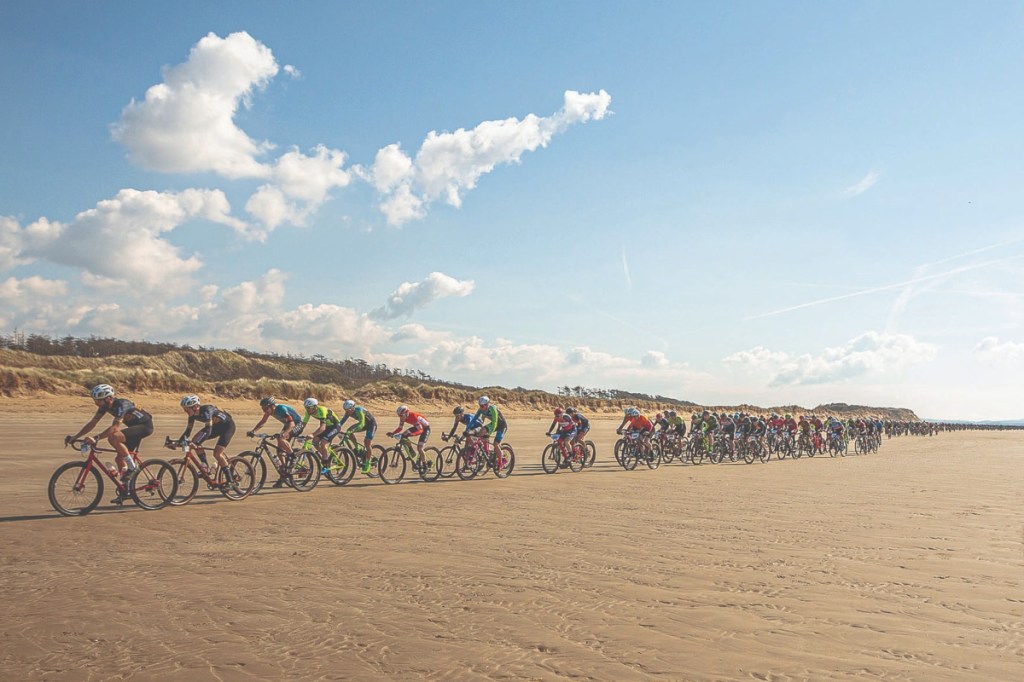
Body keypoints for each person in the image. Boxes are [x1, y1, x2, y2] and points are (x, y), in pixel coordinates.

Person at [64, 384, 154, 504]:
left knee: (114, 437)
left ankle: (132, 467)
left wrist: (96, 438)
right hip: (132, 428)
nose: (97, 404)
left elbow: (114, 428)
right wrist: (76, 436)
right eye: (95, 401)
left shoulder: (122, 404)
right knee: (118, 459)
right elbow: (92, 423)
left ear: (108, 398)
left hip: (144, 426)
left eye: (99, 401)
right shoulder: (104, 407)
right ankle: (126, 491)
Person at [173, 394, 235, 478]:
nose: (185, 411)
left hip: (228, 427)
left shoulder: (206, 410)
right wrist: (177, 442)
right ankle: (205, 467)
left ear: (195, 407)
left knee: (217, 454)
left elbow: (208, 431)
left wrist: (197, 443)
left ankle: (230, 480)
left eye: (187, 409)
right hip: (215, 427)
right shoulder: (192, 416)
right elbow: (187, 432)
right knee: (195, 441)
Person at [247, 396, 304, 487]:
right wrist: (253, 431)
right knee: (279, 451)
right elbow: (263, 421)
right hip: (288, 424)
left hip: (297, 424)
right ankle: (284, 473)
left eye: (265, 408)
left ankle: (293, 457)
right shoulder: (269, 411)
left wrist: (284, 433)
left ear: (272, 406)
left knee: (281, 438)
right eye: (263, 409)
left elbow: (292, 424)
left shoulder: (281, 409)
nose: (264, 411)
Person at [338, 399, 378, 474]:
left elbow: (361, 424)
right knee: (348, 431)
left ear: (353, 408)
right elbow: (341, 422)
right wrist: (336, 429)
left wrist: (352, 431)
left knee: (367, 442)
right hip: (364, 424)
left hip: (371, 425)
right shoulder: (347, 412)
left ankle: (368, 463)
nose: (347, 412)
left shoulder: (359, 410)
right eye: (345, 410)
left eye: (348, 410)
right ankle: (357, 447)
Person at [301, 397, 343, 467]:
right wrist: (296, 432)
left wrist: (312, 434)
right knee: (315, 442)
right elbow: (303, 424)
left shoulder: (321, 410)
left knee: (323, 442)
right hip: (327, 427)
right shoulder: (308, 412)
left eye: (309, 408)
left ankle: (326, 463)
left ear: (315, 407)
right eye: (306, 408)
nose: (307, 410)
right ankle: (327, 456)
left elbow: (322, 427)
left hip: (335, 426)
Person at [474, 395, 508, 460]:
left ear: (487, 405)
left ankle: (501, 462)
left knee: (495, 444)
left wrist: (488, 434)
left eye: (482, 406)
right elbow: (479, 422)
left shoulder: (492, 409)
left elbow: (495, 422)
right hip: (494, 425)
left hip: (502, 426)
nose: (480, 407)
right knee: (482, 431)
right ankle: (487, 453)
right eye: (480, 406)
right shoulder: (481, 410)